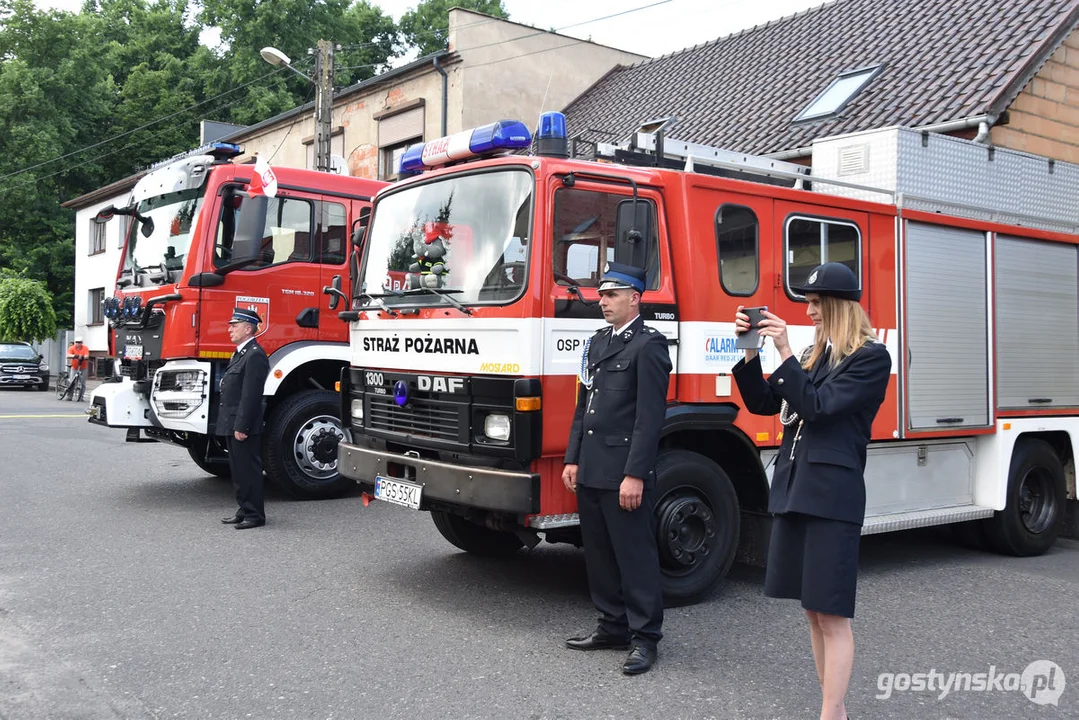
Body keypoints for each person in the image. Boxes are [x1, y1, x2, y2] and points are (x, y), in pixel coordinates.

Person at [731, 262, 891, 720]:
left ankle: (830, 711)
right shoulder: (813, 355)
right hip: (797, 489)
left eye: (817, 303)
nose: (810, 311)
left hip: (832, 497)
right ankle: (833, 708)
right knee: (812, 611)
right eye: (809, 303)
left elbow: (818, 408)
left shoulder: (871, 358)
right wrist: (751, 353)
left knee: (833, 613)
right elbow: (766, 404)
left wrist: (783, 349)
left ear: (840, 306)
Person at [562, 261, 672, 676]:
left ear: (635, 298)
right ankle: (612, 626)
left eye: (611, 295)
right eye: (601, 295)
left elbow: (649, 418)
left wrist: (635, 474)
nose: (602, 301)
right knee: (601, 555)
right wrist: (572, 457)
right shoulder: (596, 342)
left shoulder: (649, 345)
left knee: (635, 557)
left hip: (623, 470)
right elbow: (582, 405)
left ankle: (645, 638)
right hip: (592, 466)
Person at [218, 307, 270, 530]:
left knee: (249, 470)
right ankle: (244, 508)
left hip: (243, 424)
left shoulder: (255, 355)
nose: (230, 329)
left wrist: (242, 425)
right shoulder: (241, 352)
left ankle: (255, 514)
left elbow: (251, 395)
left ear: (248, 329)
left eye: (235, 325)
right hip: (232, 421)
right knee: (238, 470)